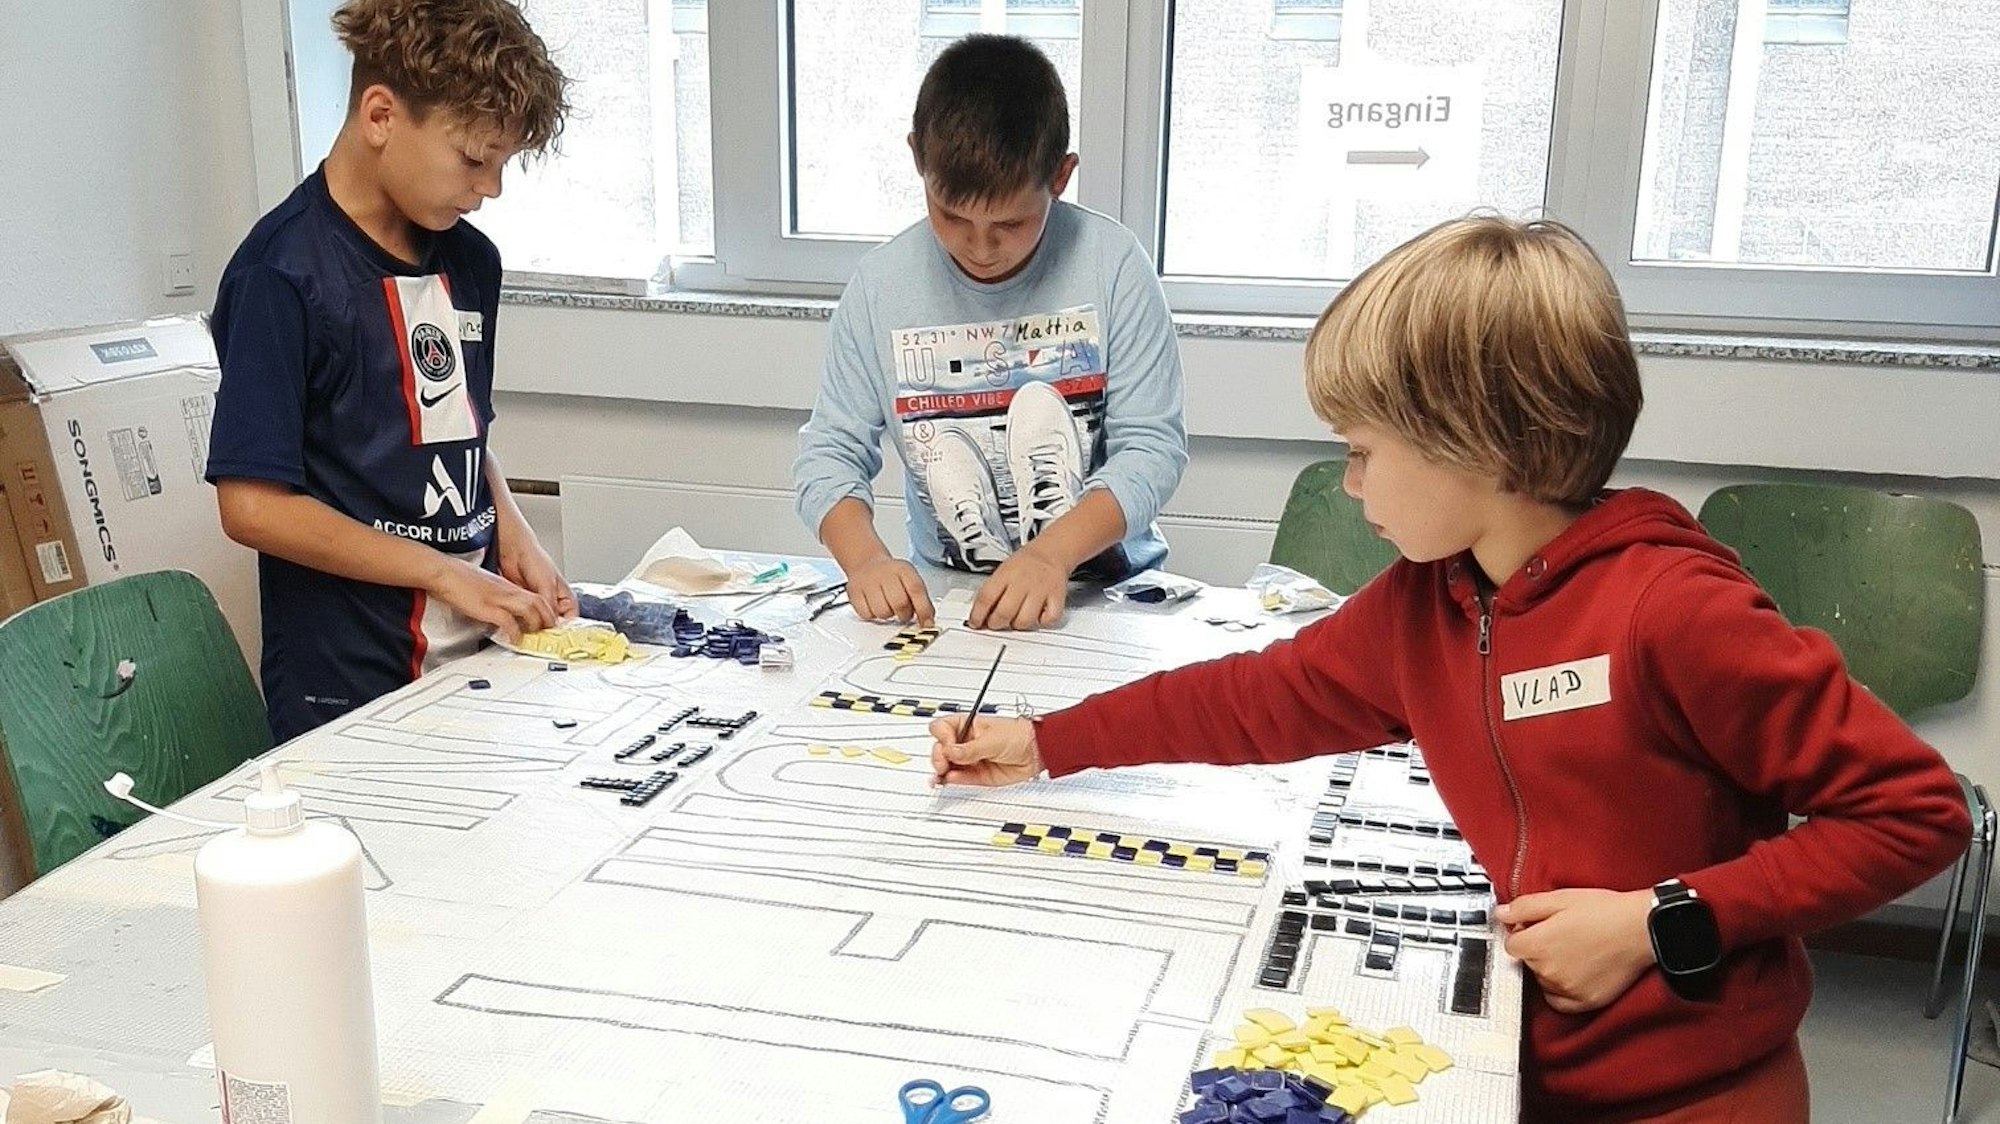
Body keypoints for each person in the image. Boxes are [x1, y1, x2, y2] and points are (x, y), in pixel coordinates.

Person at [927, 216, 1969, 1121]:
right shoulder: (1433, 597)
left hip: (1694, 1093)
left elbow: (1915, 812)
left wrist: (1660, 916)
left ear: (1483, 442)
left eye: (1364, 450)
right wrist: (1044, 740)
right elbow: (1254, 696)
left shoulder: (1673, 612)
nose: (1349, 481)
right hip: (1520, 1060)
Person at [207, 0, 573, 742]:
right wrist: (441, 571)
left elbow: (457, 429)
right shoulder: (282, 275)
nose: (492, 189)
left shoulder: (471, 261)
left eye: (504, 164)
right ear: (381, 116)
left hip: (476, 660)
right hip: (347, 687)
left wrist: (515, 533)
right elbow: (251, 506)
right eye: (476, 160)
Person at [792, 34, 1188, 633]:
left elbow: (1152, 451)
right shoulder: (880, 287)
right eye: (951, 215)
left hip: (1106, 597)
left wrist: (1051, 554)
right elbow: (829, 453)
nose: (979, 247)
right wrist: (866, 560)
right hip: (948, 604)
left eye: (1009, 223)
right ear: (916, 157)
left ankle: (1049, 522)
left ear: (1061, 176)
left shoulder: (1113, 266)